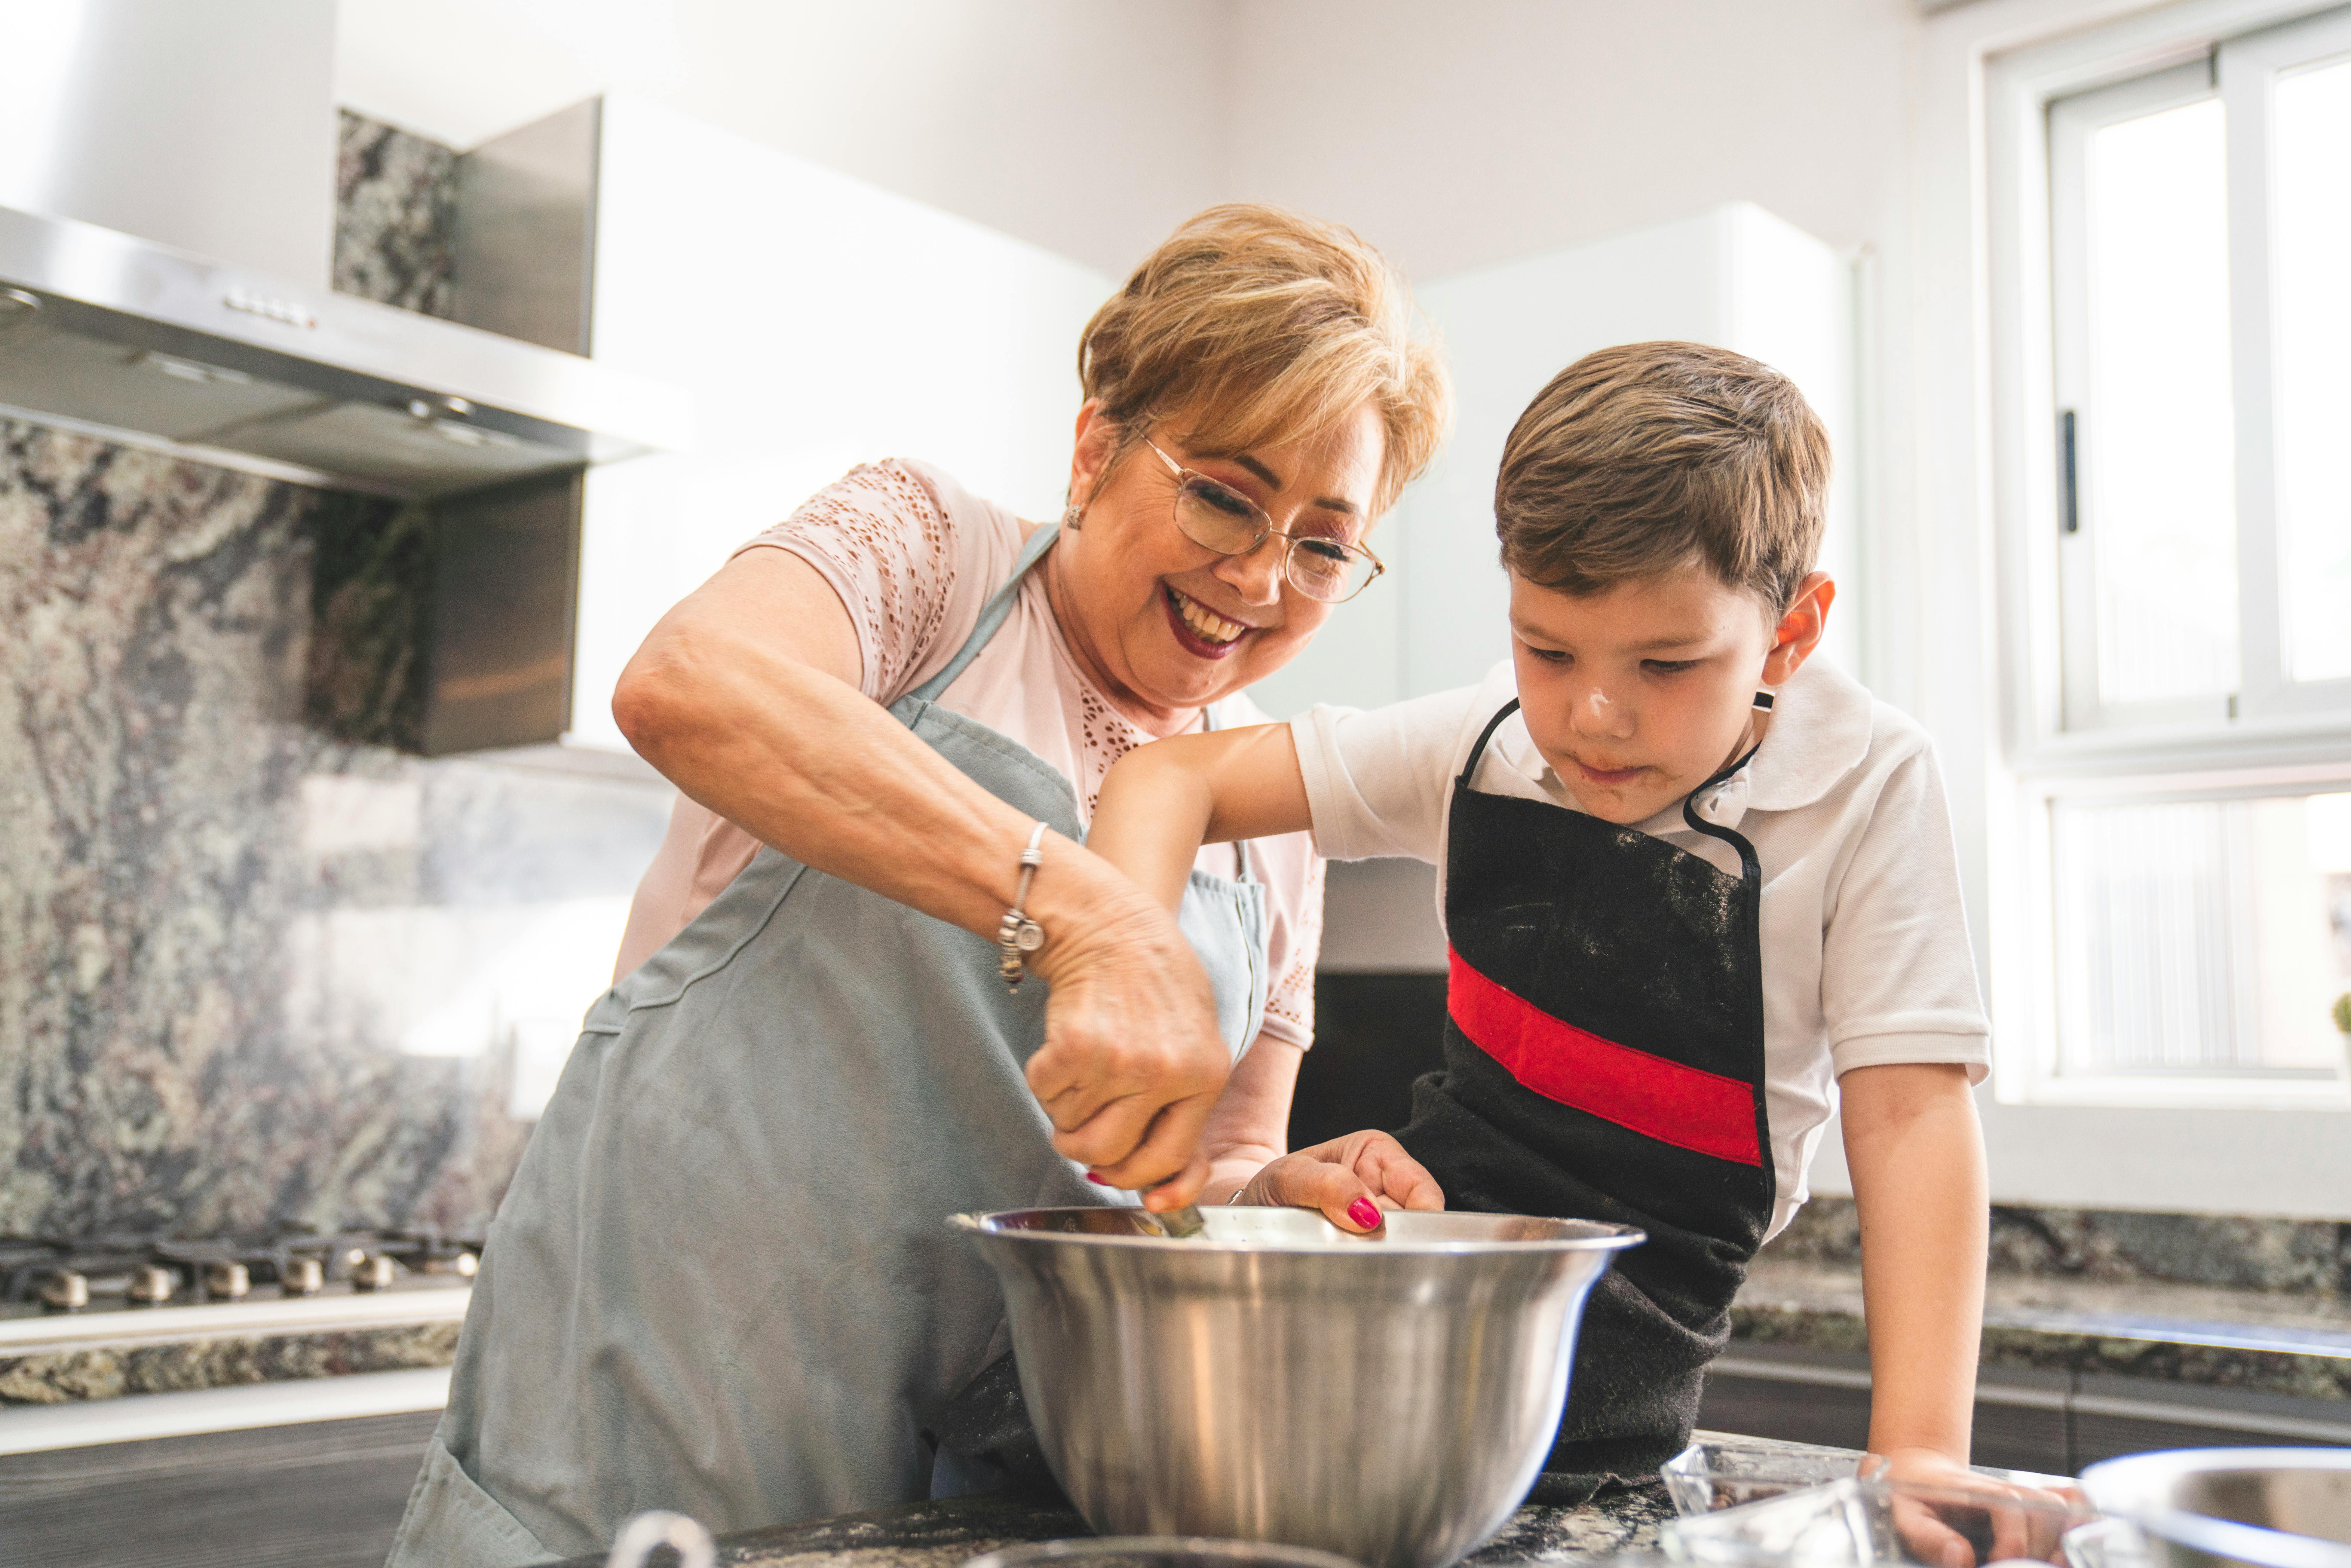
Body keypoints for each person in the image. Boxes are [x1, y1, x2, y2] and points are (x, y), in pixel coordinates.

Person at [385, 205, 1451, 1567]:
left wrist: (1279, 1191)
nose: (1257, 576)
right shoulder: (931, 559)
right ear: (1095, 449)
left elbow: (1202, 1167)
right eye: (1224, 495)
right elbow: (690, 684)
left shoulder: (1267, 821)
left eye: (1319, 544)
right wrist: (1083, 908)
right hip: (649, 1432)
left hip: (969, 1497)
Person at [1087, 342, 1994, 1499]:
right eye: (1547, 650)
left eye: (1666, 665)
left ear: (1791, 631)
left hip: (1639, 1325)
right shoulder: (1488, 739)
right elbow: (1168, 780)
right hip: (1419, 1272)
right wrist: (1121, 961)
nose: (1594, 717)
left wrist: (1919, 1458)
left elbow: (1912, 1114)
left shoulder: (1863, 784)